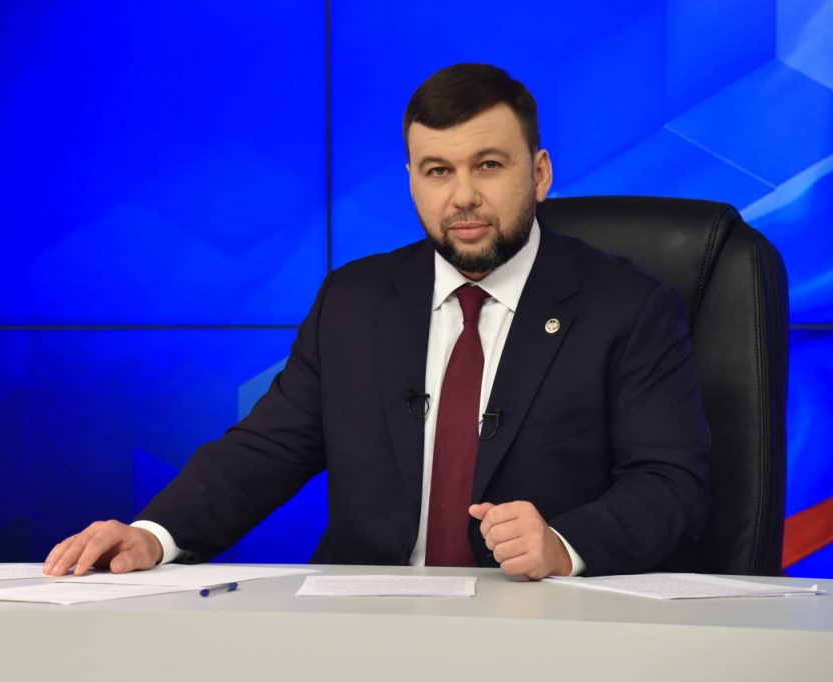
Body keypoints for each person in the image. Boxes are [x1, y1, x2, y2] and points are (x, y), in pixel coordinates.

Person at [44, 63, 710, 580]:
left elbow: (670, 485)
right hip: (362, 627)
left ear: (539, 174)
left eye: (488, 166)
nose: (463, 196)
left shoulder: (628, 306)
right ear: (412, 181)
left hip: (542, 622)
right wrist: (152, 535)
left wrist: (564, 545)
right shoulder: (355, 300)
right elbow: (267, 450)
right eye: (437, 171)